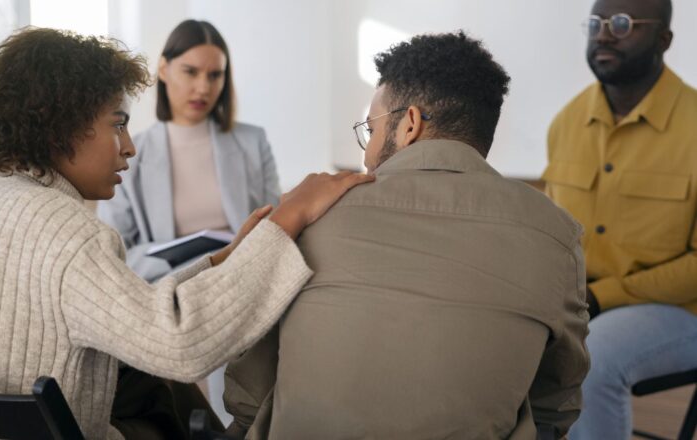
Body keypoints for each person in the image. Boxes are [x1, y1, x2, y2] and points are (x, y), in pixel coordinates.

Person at [0, 27, 373, 439]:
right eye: (117, 124)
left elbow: (131, 312)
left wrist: (226, 258)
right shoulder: (68, 232)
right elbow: (182, 346)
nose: (129, 146)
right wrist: (289, 217)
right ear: (61, 129)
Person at [223, 32, 590, 439]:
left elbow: (248, 394)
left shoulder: (312, 213)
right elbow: (556, 403)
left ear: (410, 124)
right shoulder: (555, 235)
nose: (367, 155)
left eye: (371, 130)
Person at [541, 0, 697, 437]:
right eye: (596, 23)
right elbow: (551, 234)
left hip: (680, 308)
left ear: (664, 39)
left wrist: (601, 295)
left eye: (623, 24)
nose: (605, 34)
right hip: (580, 302)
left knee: (592, 359)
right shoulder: (567, 121)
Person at [97, 19, 280, 283]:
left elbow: (275, 227)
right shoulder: (127, 154)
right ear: (163, 70)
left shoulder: (254, 141)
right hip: (172, 284)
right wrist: (202, 262)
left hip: (244, 275)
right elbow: (114, 254)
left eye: (215, 75)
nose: (203, 88)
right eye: (191, 72)